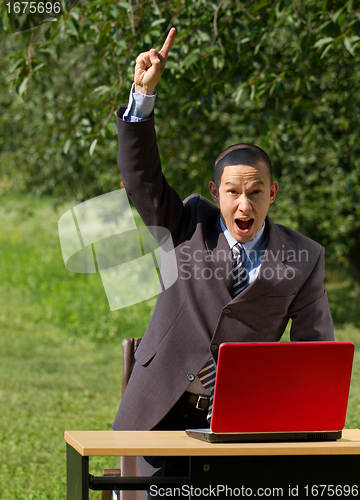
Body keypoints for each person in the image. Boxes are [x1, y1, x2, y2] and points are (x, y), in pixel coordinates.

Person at [112, 27, 334, 486]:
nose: (244, 205)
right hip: (158, 413)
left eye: (255, 192)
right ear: (217, 192)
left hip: (240, 428)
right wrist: (143, 96)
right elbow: (142, 180)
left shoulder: (304, 257)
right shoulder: (188, 222)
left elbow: (314, 355)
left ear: (272, 193)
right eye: (233, 192)